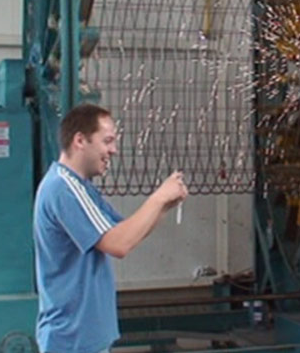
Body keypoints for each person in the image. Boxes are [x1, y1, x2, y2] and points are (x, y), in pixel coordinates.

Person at [34, 104, 188, 353]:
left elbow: (127, 232)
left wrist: (164, 206)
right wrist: (158, 197)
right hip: (72, 340)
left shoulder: (81, 188)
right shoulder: (63, 188)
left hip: (84, 338)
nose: (113, 150)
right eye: (107, 141)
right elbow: (118, 244)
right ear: (80, 140)